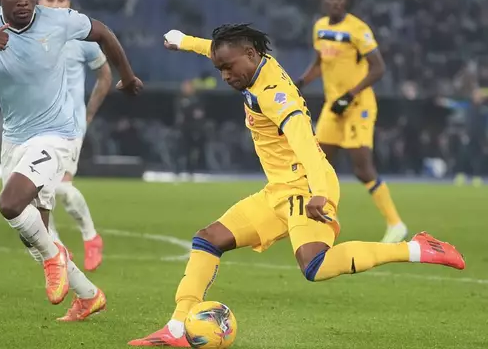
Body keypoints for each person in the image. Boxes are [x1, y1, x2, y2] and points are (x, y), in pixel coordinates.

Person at [127, 25, 465, 347]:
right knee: (208, 239)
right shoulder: (256, 63)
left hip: (305, 188)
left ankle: (416, 249)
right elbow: (216, 50)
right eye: (220, 69)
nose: (226, 76)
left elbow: (306, 145)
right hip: (279, 189)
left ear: (250, 53)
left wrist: (319, 192)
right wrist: (185, 41)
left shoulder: (276, 97)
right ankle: (176, 327)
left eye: (229, 68)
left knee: (315, 266)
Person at [0, 0, 141, 320]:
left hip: (57, 135)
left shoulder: (59, 20)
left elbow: (104, 33)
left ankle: (56, 258)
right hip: (14, 138)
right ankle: (88, 295)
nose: (24, 1)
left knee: (10, 204)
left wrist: (127, 77)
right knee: (38, 235)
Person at [294, 0, 408, 243]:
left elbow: (378, 68)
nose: (335, 1)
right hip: (333, 106)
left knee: (362, 168)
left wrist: (350, 95)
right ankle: (322, 219)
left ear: (347, 1)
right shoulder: (319, 27)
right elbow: (320, 63)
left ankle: (396, 224)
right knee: (319, 162)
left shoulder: (358, 29)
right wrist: (300, 82)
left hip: (358, 105)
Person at [37, 0, 111, 271]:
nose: (56, 5)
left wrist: (88, 114)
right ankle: (57, 253)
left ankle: (91, 238)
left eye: (61, 0)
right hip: (37, 125)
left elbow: (105, 76)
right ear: (40, 2)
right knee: (38, 194)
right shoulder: (30, 36)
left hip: (69, 125)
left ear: (70, 3)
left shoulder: (82, 39)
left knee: (62, 189)